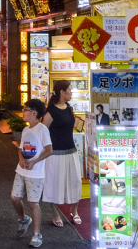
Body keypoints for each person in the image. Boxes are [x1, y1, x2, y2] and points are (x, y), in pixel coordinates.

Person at [11, 99, 53, 248]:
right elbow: (20, 149)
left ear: (34, 113)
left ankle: (37, 234)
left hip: (35, 173)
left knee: (33, 203)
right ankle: (24, 220)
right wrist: (21, 159)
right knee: (15, 198)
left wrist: (34, 162)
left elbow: (49, 150)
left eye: (25, 109)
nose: (23, 112)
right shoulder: (25, 130)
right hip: (21, 170)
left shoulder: (42, 129)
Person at [42, 81, 84, 227]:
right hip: (55, 153)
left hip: (71, 150)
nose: (71, 93)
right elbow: (43, 131)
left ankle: (74, 210)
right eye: (69, 91)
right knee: (54, 183)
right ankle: (55, 213)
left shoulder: (69, 108)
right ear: (62, 92)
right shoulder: (51, 111)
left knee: (75, 182)